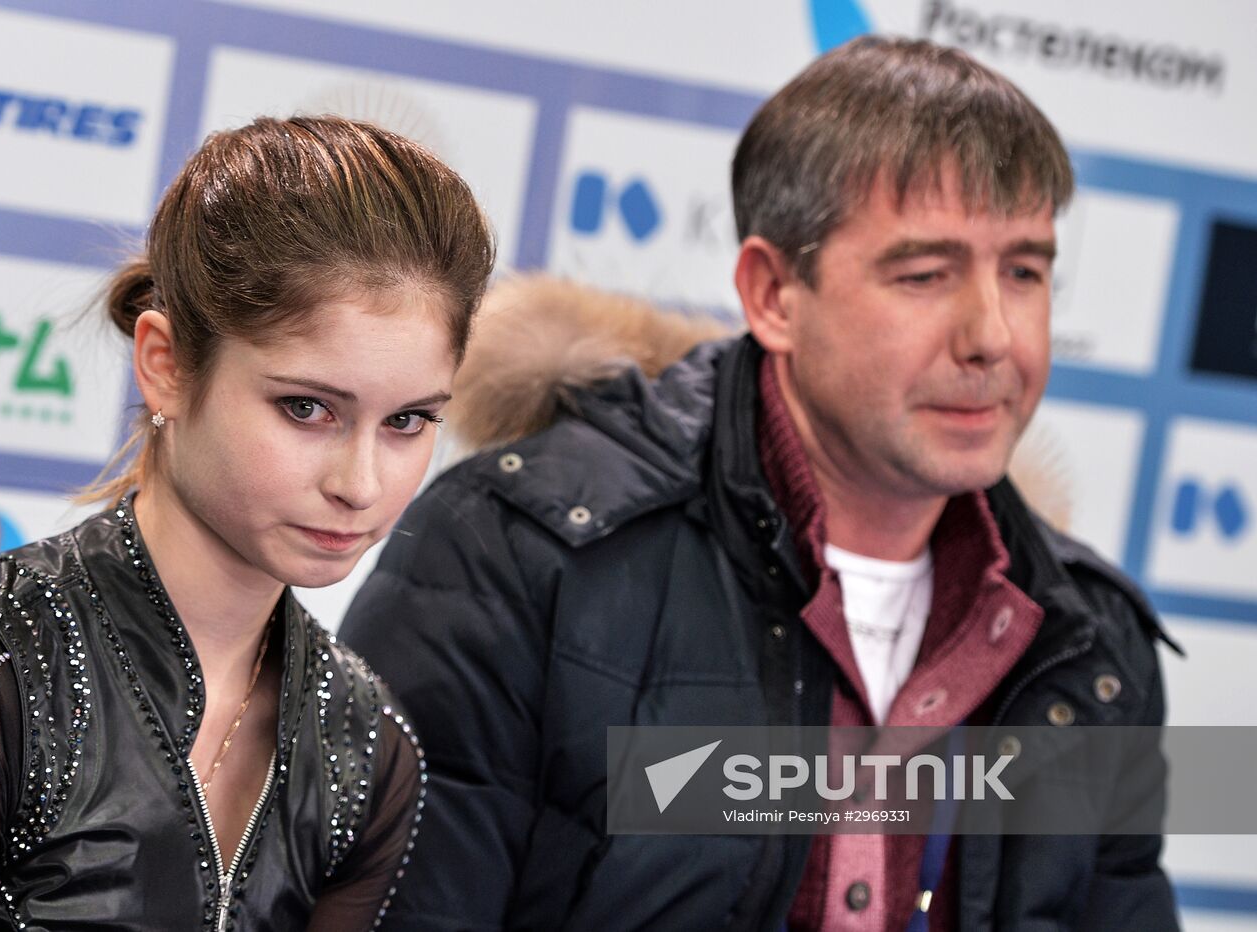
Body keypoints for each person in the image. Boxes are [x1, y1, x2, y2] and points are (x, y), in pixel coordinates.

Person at [339, 36, 1180, 931]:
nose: (994, 335)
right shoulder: (513, 556)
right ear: (774, 293)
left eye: (1025, 271)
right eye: (926, 275)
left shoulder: (1091, 643)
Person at [0, 115, 493, 930]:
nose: (360, 483)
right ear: (164, 364)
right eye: (307, 408)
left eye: (407, 422)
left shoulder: (368, 745)